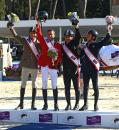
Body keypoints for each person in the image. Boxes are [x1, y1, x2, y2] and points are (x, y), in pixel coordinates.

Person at [79, 25, 113, 111]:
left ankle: (95, 105)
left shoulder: (96, 45)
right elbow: (80, 56)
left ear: (93, 37)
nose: (87, 36)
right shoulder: (85, 46)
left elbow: (105, 40)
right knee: (85, 87)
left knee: (95, 87)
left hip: (94, 69)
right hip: (86, 69)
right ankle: (85, 104)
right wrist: (79, 48)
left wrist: (109, 31)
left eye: (89, 35)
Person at [9, 25, 40, 110]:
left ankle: (33, 104)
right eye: (31, 33)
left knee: (34, 85)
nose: (33, 35)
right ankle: (21, 104)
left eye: (34, 33)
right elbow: (16, 36)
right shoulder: (25, 41)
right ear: (29, 34)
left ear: (36, 34)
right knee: (23, 84)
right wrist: (12, 28)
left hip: (35, 66)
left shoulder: (39, 43)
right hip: (25, 66)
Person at [36, 21, 62, 111]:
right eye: (48, 34)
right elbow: (39, 34)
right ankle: (45, 104)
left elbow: (60, 56)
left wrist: (56, 60)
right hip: (44, 65)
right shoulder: (44, 41)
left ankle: (56, 104)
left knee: (54, 84)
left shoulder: (58, 45)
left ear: (54, 35)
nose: (50, 35)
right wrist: (38, 24)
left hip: (53, 66)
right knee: (44, 83)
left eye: (51, 34)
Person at [62, 24, 81, 110]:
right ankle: (68, 104)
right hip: (66, 70)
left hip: (75, 70)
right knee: (67, 88)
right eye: (66, 36)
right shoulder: (62, 46)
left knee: (76, 88)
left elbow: (79, 36)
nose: (67, 38)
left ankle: (77, 104)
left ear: (72, 37)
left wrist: (76, 27)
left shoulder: (75, 43)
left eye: (69, 36)